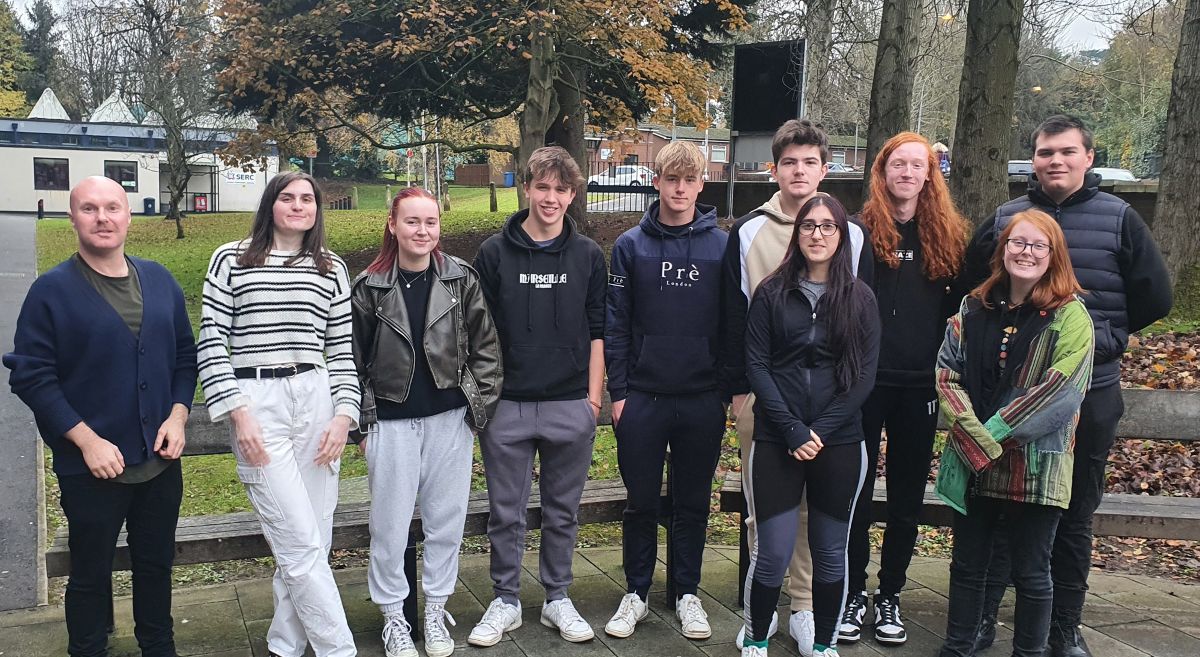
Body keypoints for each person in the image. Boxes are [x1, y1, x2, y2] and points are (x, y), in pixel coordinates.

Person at [964, 115, 1172, 657]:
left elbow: (1156, 295)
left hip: (1090, 393)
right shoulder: (1009, 218)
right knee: (1005, 512)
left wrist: (1107, 334)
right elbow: (974, 285)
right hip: (1011, 396)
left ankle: (1064, 628)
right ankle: (984, 619)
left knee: (1074, 514)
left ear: (1088, 156)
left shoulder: (1119, 219)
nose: (1054, 161)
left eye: (1066, 152)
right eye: (1044, 152)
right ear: (1032, 159)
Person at [4, 176, 197, 657]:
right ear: (72, 218)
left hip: (158, 462)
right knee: (90, 574)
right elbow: (31, 376)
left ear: (129, 215)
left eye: (113, 207)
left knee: (156, 566)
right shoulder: (52, 291)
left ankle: (159, 646)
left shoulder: (159, 280)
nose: (103, 218)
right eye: (89, 209)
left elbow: (184, 358)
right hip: (92, 470)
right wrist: (87, 441)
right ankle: (87, 649)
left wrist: (177, 416)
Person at [721, 119, 872, 656]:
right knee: (769, 526)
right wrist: (743, 395)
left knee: (824, 534)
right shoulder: (746, 232)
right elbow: (734, 322)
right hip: (768, 409)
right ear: (775, 168)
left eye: (810, 162)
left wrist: (825, 427)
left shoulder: (854, 235)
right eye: (790, 162)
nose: (800, 171)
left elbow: (858, 346)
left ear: (824, 170)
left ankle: (807, 613)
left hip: (832, 422)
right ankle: (756, 625)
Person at [197, 172, 360, 657]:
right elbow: (211, 341)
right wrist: (237, 415)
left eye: (307, 198)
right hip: (257, 398)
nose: (298, 205)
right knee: (298, 542)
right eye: (287, 197)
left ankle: (285, 645)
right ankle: (339, 650)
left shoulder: (330, 268)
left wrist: (343, 415)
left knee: (313, 538)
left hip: (316, 399)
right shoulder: (231, 258)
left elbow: (342, 351)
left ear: (317, 209)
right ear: (271, 204)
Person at [350, 188, 502, 657]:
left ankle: (435, 610)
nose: (422, 231)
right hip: (390, 425)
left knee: (446, 522)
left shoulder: (461, 280)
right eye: (412, 221)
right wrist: (360, 425)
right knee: (390, 527)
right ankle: (394, 618)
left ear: (440, 226)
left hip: (448, 421)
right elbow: (350, 360)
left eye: (430, 222)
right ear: (392, 225)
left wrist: (476, 414)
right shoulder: (370, 286)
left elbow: (487, 350)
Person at [936, 209, 1095, 657]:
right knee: (967, 566)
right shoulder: (972, 308)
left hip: (1036, 465)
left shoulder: (1071, 317)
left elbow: (1062, 391)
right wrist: (974, 436)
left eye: (1037, 245)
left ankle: (1029, 652)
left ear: (1053, 255)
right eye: (1017, 243)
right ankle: (959, 647)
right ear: (1002, 249)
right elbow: (948, 375)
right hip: (973, 461)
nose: (1026, 252)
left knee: (1031, 571)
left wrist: (990, 437)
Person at [468, 146, 608, 647]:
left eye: (561, 189)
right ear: (526, 188)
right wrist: (487, 398)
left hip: (570, 403)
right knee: (506, 512)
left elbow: (599, 330)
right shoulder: (493, 253)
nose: (551, 198)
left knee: (561, 511)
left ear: (573, 195)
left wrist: (592, 399)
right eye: (542, 187)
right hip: (508, 405)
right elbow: (477, 333)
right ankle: (505, 599)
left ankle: (557, 598)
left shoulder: (588, 255)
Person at [840, 132, 969, 646]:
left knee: (907, 498)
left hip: (921, 386)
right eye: (899, 164)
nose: (908, 173)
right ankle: (853, 592)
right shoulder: (858, 232)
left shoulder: (949, 237)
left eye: (919, 165)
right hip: (866, 384)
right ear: (883, 170)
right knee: (856, 491)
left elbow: (959, 315)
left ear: (930, 174)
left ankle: (890, 592)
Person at [602, 141, 727, 640]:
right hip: (643, 399)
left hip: (701, 398)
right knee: (641, 502)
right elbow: (616, 324)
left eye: (688, 180)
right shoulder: (631, 246)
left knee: (693, 501)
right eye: (670, 179)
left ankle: (687, 592)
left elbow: (731, 324)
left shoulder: (722, 246)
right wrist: (619, 392)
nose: (679, 189)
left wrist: (723, 390)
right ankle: (635, 591)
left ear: (701, 184)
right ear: (656, 182)